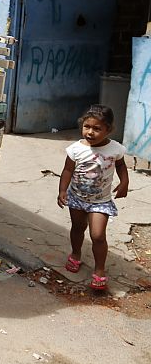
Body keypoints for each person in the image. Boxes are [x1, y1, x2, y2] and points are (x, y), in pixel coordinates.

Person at [57, 104, 129, 291]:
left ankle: (99, 269)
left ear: (109, 129)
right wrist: (62, 191)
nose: (90, 132)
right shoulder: (75, 149)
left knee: (97, 235)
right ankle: (75, 254)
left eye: (97, 128)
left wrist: (124, 182)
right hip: (77, 198)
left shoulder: (115, 149)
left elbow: (121, 166)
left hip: (101, 201)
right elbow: (67, 171)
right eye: (87, 127)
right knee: (78, 228)